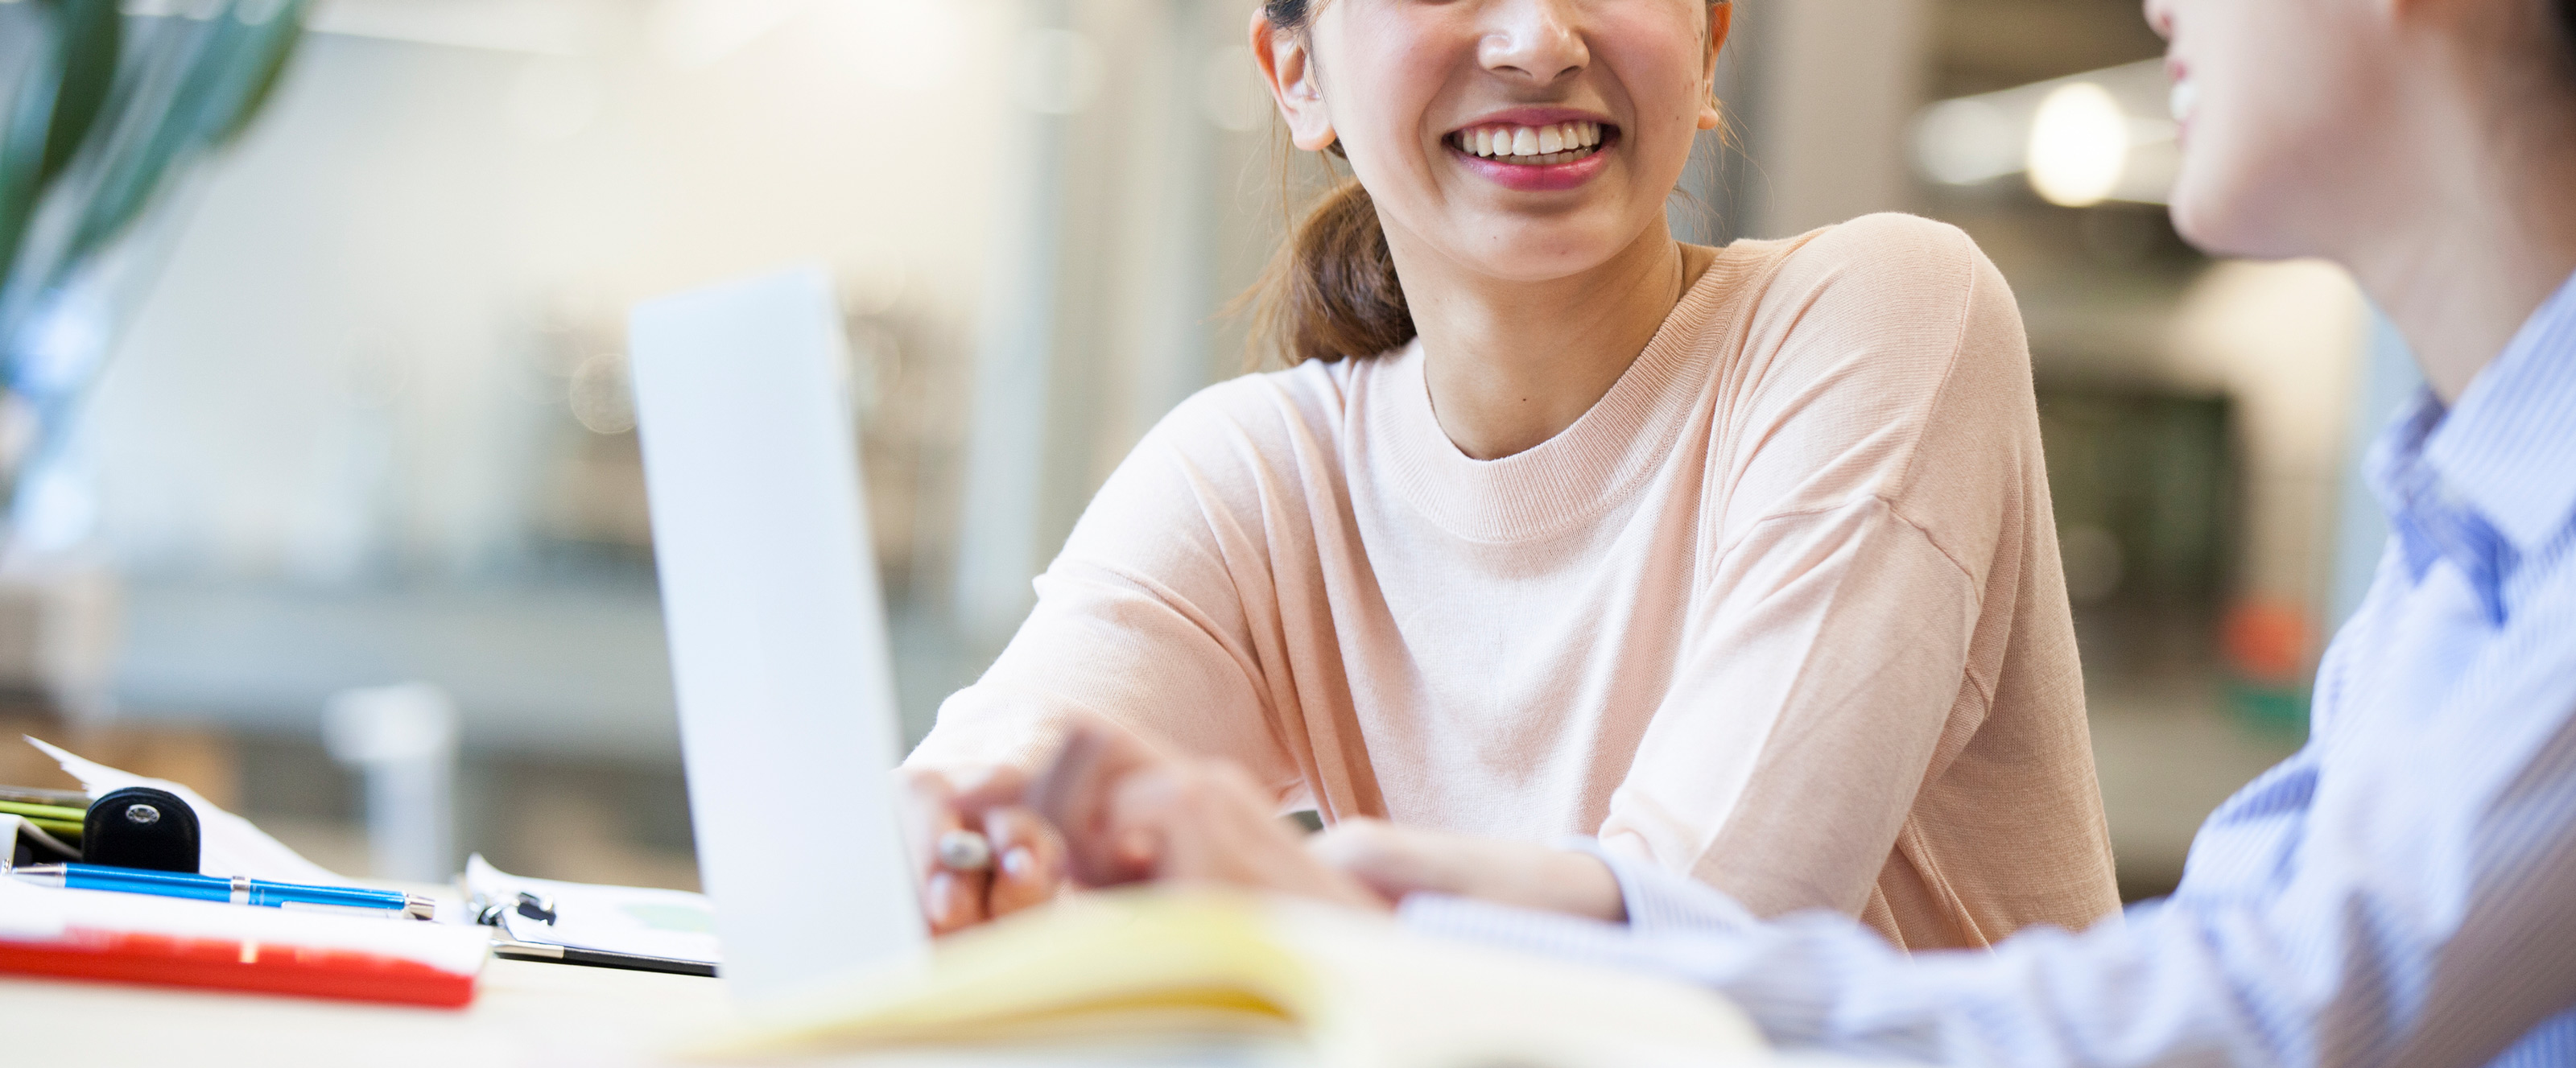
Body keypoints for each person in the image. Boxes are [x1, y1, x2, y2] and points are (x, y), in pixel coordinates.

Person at [1010, 0, 2576, 1068]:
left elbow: (2255, 1035)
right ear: (1290, 69)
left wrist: (1371, 928)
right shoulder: (2455, 556)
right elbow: (2246, 1003)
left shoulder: (1873, 311)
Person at [901, 0, 2122, 954]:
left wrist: (1291, 898)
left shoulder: (1882, 315)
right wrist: (953, 852)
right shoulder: (1261, 479)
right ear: (1296, 75)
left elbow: (1700, 932)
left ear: (1709, 50)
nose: (1538, 42)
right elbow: (971, 805)